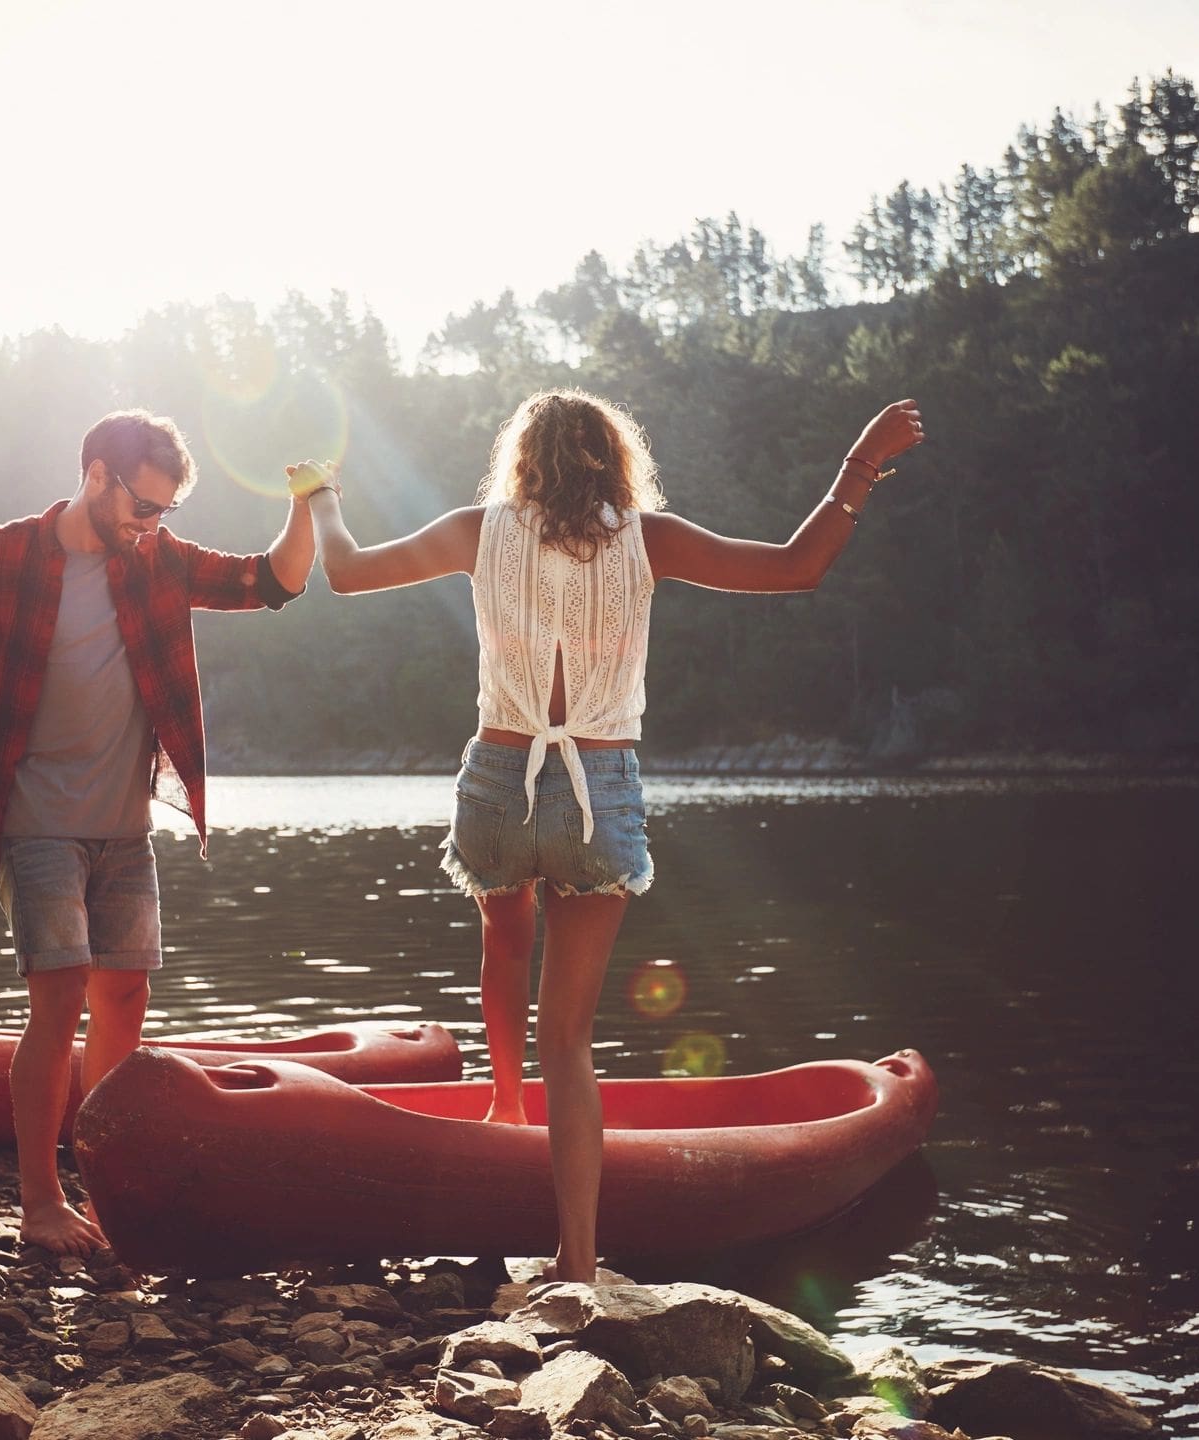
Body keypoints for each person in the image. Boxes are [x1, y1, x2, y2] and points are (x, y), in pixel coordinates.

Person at [294, 388, 922, 1281]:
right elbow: (797, 565)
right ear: (615, 460)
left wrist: (321, 496)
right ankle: (577, 1260)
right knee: (573, 1039)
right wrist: (862, 461)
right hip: (599, 787)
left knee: (504, 942)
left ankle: (506, 1108)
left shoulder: (481, 528)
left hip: (500, 778)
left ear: (523, 458)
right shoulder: (647, 536)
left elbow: (347, 572)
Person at [0, 409, 320, 1257]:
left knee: (124, 1006)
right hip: (33, 822)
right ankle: (39, 1202)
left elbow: (272, 583)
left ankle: (108, 1190)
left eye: (164, 511)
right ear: (97, 474)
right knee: (58, 1003)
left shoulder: (158, 561)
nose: (152, 524)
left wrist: (309, 507)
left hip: (123, 832)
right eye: (143, 505)